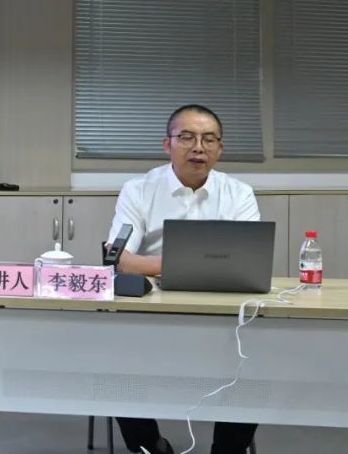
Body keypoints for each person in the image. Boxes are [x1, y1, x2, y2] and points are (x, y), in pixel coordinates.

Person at [105, 104, 260, 454]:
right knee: (115, 369)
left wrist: (163, 265)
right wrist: (194, 264)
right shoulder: (138, 190)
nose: (198, 148)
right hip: (151, 313)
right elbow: (120, 259)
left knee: (253, 366)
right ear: (167, 144)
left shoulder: (239, 193)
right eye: (187, 137)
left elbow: (249, 259)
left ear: (220, 148)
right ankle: (151, 446)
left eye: (209, 139)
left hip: (223, 314)